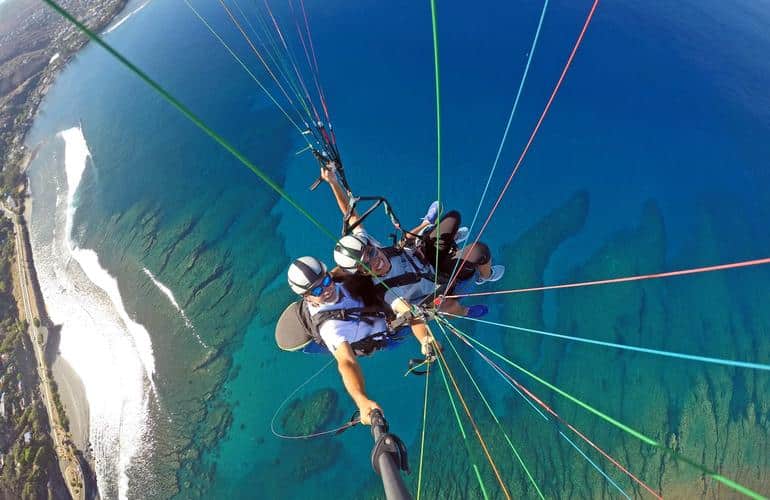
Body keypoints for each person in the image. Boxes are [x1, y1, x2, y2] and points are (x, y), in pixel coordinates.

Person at [320, 163, 495, 317]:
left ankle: (429, 225)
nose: (376, 262)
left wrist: (333, 182)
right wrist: (412, 317)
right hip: (438, 278)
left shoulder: (364, 243)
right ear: (362, 273)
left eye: (372, 253)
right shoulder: (386, 291)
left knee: (453, 217)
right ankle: (486, 277)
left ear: (371, 245)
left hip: (421, 255)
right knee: (480, 251)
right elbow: (401, 307)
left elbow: (350, 216)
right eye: (366, 266)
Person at [283, 256, 438, 425]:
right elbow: (347, 363)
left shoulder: (336, 279)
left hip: (384, 302)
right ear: (307, 297)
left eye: (326, 280)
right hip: (390, 329)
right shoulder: (331, 327)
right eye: (317, 291)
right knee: (439, 307)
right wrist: (361, 400)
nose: (327, 289)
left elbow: (350, 262)